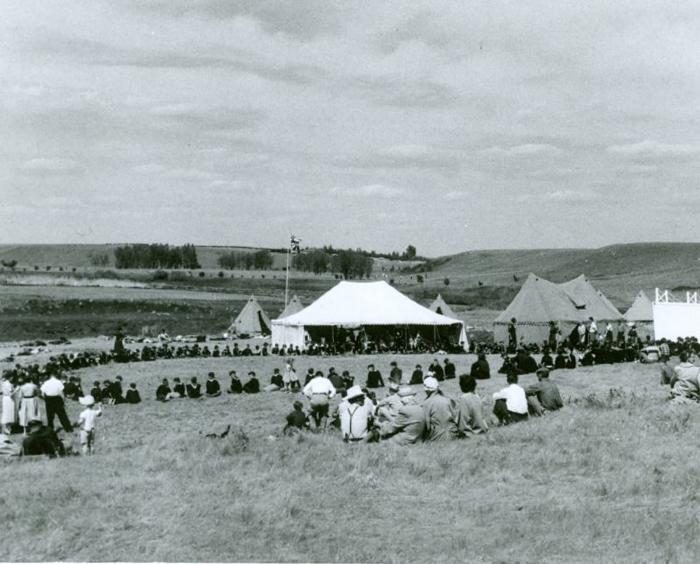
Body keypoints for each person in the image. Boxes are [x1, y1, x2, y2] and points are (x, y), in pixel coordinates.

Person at [422, 377, 460, 441]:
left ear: (427, 390)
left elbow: (427, 426)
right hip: (453, 434)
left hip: (437, 436)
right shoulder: (448, 400)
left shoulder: (426, 403)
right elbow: (455, 419)